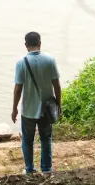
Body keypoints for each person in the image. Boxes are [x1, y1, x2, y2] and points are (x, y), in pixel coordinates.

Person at [11, 31, 61, 174]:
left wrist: (14, 109)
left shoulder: (21, 63)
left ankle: (29, 169)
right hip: (46, 110)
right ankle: (46, 169)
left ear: (26, 45)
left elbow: (18, 89)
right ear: (40, 43)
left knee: (27, 141)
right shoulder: (50, 60)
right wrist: (58, 104)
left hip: (28, 110)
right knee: (46, 139)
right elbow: (56, 85)